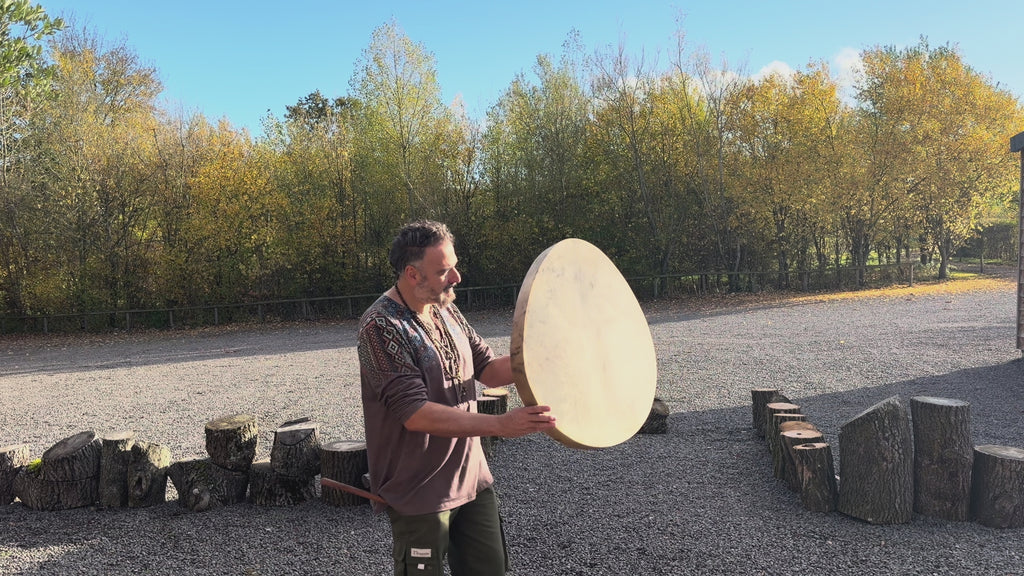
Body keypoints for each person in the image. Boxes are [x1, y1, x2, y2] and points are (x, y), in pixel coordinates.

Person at [357, 219, 556, 576]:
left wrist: (546, 357)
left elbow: (489, 370)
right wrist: (500, 425)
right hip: (419, 493)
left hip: (472, 478)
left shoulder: (446, 309)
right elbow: (415, 413)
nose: (457, 277)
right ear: (412, 274)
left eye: (454, 265)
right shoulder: (380, 326)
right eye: (445, 270)